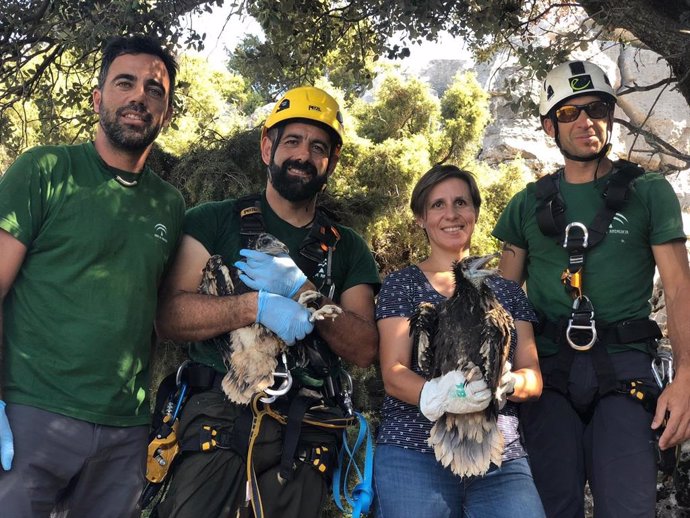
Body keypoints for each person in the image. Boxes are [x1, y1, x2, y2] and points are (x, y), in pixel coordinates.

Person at [153, 85, 380, 518]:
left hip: (306, 423)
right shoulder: (213, 221)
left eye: (318, 147)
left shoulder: (346, 248)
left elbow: (365, 347)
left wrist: (304, 293)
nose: (303, 155)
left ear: (330, 161)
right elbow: (169, 317)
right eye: (291, 141)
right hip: (217, 414)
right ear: (266, 147)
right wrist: (252, 306)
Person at [493, 60, 690, 518]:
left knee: (628, 508)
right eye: (569, 113)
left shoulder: (648, 192)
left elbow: (679, 290)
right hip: (545, 377)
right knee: (547, 508)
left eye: (597, 109)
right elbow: (503, 301)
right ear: (548, 125)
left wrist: (685, 381)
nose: (586, 121)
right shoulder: (527, 204)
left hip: (625, 371)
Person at [0, 35, 184, 517]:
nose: (139, 96)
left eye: (154, 89)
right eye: (124, 83)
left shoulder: (169, 205)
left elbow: (159, 312)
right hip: (30, 414)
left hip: (124, 432)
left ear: (165, 113)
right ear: (98, 97)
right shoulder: (44, 170)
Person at [373, 164, 545, 518]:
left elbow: (533, 377)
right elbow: (393, 373)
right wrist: (436, 394)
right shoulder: (402, 285)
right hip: (414, 447)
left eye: (460, 203)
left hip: (497, 453)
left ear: (475, 212)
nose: (450, 214)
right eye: (437, 205)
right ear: (421, 217)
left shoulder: (506, 293)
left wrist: (507, 383)